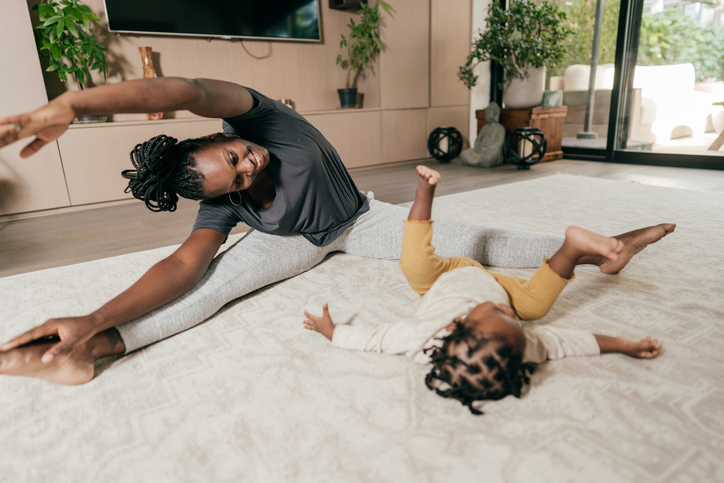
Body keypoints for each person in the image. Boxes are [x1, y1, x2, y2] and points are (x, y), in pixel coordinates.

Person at [0, 77, 672, 386]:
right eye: (235, 178)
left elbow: (176, 90)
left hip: (356, 219)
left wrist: (70, 106)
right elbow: (181, 267)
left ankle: (611, 239)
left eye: (233, 156)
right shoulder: (223, 199)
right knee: (207, 292)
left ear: (223, 135)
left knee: (478, 242)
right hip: (290, 241)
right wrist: (91, 314)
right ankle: (94, 347)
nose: (246, 165)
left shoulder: (267, 125)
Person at [302, 166, 666, 414]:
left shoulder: (416, 337)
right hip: (499, 286)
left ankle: (424, 193)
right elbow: (571, 342)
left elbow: (371, 338)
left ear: (454, 323)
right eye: (514, 323)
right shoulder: (516, 348)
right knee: (536, 306)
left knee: (412, 264)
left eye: (497, 314)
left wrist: (331, 331)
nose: (509, 314)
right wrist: (624, 345)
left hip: (441, 280)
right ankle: (571, 247)